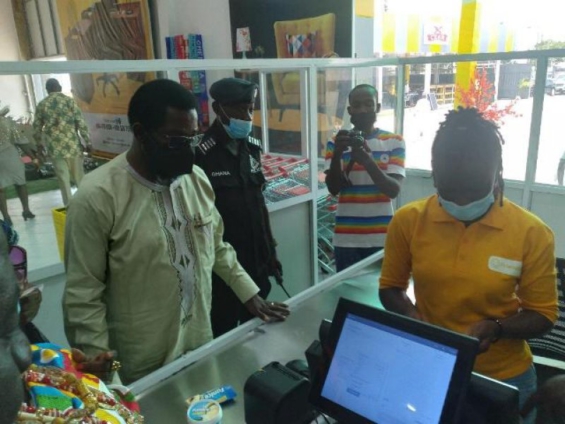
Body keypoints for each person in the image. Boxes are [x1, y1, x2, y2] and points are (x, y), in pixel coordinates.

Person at [63, 79, 290, 384]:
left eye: (192, 139)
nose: (187, 150)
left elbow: (217, 246)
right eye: (176, 141)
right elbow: (83, 295)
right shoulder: (98, 196)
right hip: (136, 366)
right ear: (141, 133)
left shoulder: (195, 180)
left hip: (200, 344)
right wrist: (105, 374)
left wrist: (250, 295)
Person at [379, 107, 558, 423]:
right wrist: (413, 317)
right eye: (450, 190)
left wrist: (497, 328)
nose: (460, 201)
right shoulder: (408, 221)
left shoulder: (532, 232)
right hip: (432, 364)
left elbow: (543, 315)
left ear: (497, 171)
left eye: (472, 189)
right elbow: (390, 287)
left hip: (503, 378)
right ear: (434, 172)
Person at [195, 78, 282, 337]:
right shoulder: (202, 154)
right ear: (218, 108)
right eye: (239, 109)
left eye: (250, 108)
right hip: (222, 268)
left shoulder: (251, 147)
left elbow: (259, 203)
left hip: (256, 260)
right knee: (223, 332)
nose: (247, 116)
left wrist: (271, 250)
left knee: (257, 332)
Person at [325, 84, 405, 271]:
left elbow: (393, 190)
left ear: (378, 107)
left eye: (369, 104)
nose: (363, 110)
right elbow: (333, 189)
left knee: (382, 288)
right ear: (349, 110)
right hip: (346, 238)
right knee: (347, 288)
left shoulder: (394, 141)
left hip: (382, 237)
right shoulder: (335, 142)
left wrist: (368, 161)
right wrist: (337, 154)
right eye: (357, 105)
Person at [33, 78, 92, 205]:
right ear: (59, 87)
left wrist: (39, 145)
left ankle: (69, 206)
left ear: (47, 90)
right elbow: (80, 122)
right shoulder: (69, 101)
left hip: (55, 148)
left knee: (63, 178)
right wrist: (87, 142)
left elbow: (37, 127)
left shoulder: (42, 104)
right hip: (73, 146)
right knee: (79, 177)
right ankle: (85, 205)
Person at [0, 105, 37, 225]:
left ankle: (6, 217)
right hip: (11, 156)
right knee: (20, 183)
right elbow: (21, 141)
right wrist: (33, 157)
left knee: (1, 189)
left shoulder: (7, 121)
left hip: (6, 158)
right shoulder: (7, 122)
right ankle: (26, 210)